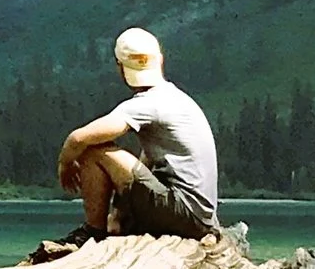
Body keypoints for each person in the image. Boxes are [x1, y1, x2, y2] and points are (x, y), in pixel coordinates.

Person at [52, 27, 218, 245]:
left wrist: (65, 164)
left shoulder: (148, 103)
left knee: (93, 150)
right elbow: (145, 163)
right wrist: (117, 214)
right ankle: (114, 226)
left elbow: (78, 138)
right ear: (159, 60)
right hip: (201, 217)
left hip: (184, 214)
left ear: (120, 67)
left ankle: (92, 232)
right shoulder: (177, 98)